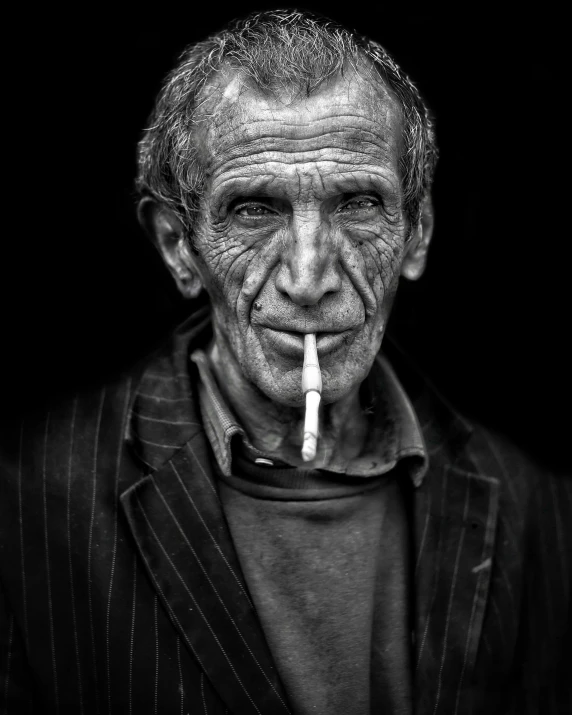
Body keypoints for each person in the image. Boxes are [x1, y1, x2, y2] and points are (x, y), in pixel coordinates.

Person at [1, 10, 570, 715]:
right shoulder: (29, 506)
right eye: (253, 210)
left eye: (359, 204)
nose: (309, 276)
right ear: (180, 246)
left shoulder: (534, 511)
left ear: (417, 233)